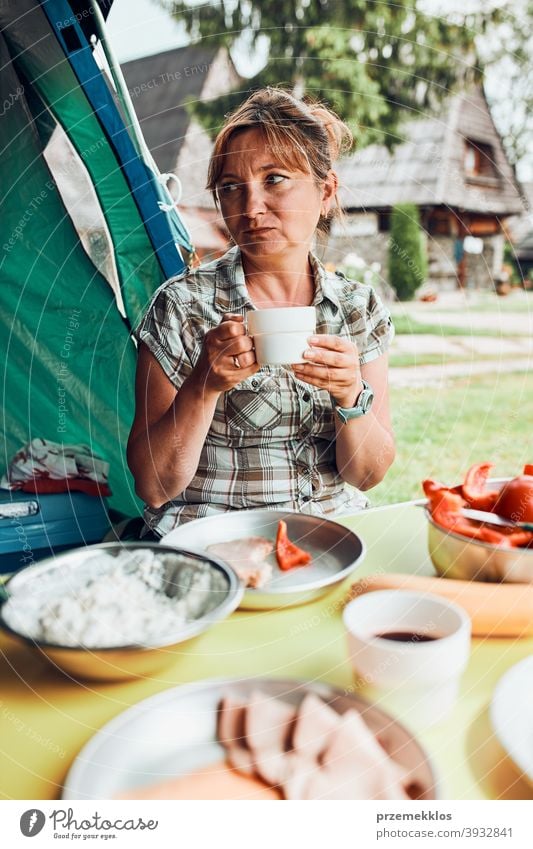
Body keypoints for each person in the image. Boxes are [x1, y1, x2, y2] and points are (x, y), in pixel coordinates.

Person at [127, 88, 395, 537]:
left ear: (326, 190)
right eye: (232, 188)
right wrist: (203, 385)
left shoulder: (357, 309)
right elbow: (154, 487)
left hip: (331, 534)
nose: (251, 208)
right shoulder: (181, 306)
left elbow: (367, 476)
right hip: (215, 539)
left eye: (275, 179)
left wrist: (351, 396)